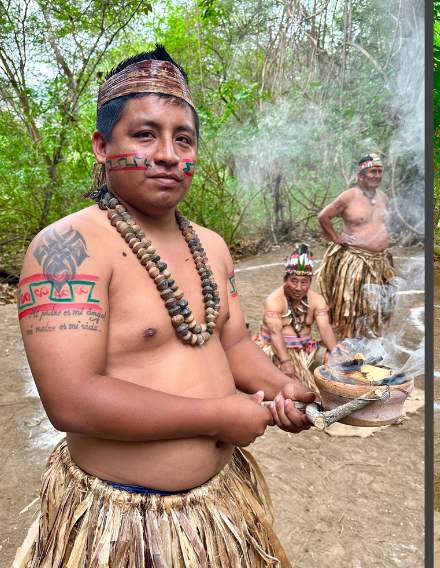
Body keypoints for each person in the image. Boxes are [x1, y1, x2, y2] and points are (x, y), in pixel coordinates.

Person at [14, 46, 314, 567]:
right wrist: (220, 415)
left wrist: (282, 387)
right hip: (124, 525)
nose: (170, 154)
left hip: (219, 509)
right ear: (102, 145)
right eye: (145, 134)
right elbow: (72, 401)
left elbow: (234, 343)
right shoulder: (66, 249)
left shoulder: (211, 247)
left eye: (184, 139)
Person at [317, 153, 395, 339]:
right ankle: (351, 342)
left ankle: (372, 340)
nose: (377, 175)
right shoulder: (348, 197)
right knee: (354, 308)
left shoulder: (383, 197)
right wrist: (336, 238)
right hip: (356, 262)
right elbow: (323, 217)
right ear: (360, 175)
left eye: (379, 171)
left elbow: (383, 223)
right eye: (372, 171)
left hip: (381, 262)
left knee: (378, 307)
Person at [254, 244, 338, 392]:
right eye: (294, 280)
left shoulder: (317, 300)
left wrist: (336, 354)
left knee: (334, 362)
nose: (299, 287)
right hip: (277, 350)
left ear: (310, 282)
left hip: (306, 349)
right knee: (290, 384)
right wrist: (285, 361)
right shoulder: (274, 300)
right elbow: (275, 333)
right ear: (285, 279)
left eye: (304, 282)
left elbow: (325, 328)